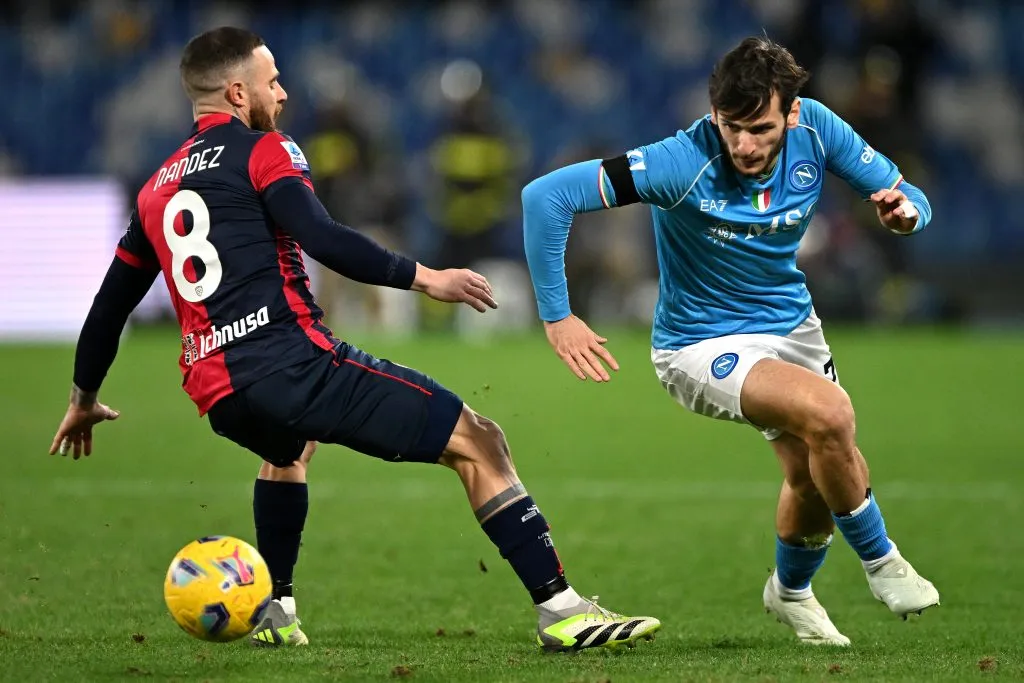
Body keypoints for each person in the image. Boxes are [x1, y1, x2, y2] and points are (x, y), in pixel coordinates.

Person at [47, 27, 660, 652]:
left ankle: (276, 609)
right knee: (478, 440)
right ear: (236, 93)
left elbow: (110, 305)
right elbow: (323, 238)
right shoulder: (264, 151)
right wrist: (427, 278)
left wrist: (82, 397)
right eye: (271, 81)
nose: (282, 94)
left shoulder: (154, 189)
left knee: (290, 449)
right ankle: (562, 611)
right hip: (293, 363)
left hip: (218, 391)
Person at [521, 36, 939, 647]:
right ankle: (883, 562)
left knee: (815, 474)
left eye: (759, 128)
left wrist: (906, 214)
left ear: (791, 114)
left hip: (793, 327)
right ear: (714, 113)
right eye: (730, 126)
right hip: (699, 343)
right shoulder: (679, 162)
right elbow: (546, 196)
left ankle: (790, 593)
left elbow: (911, 195)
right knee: (830, 413)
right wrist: (558, 316)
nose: (743, 144)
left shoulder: (818, 129)